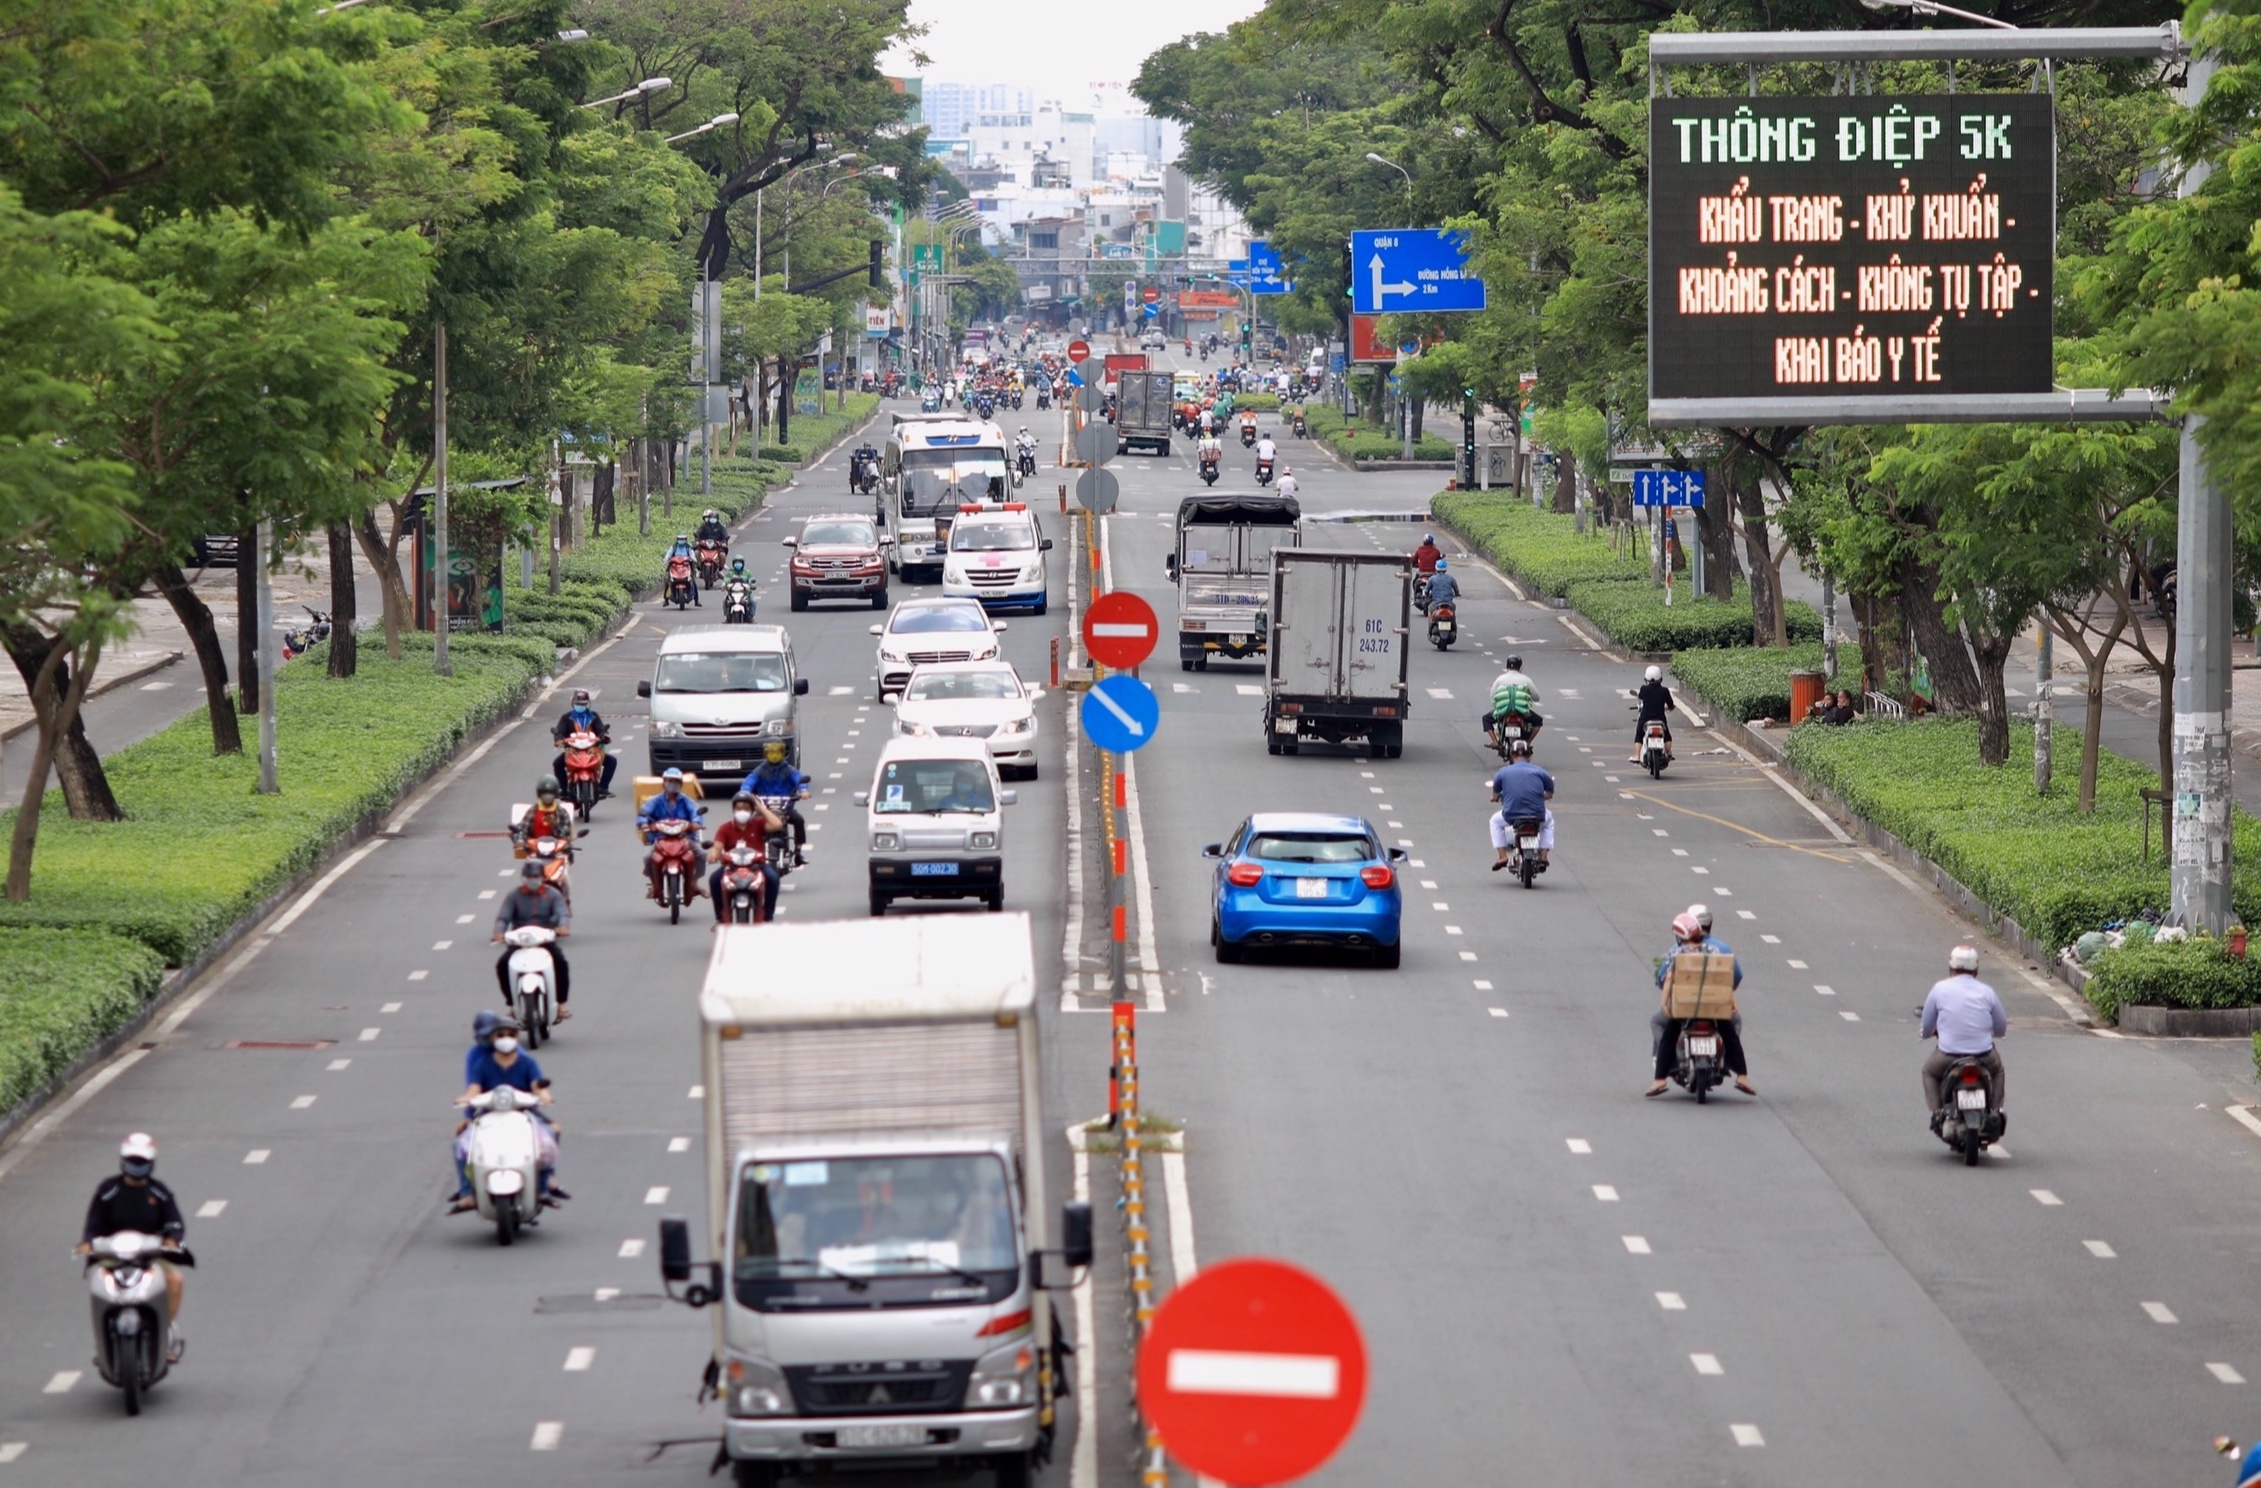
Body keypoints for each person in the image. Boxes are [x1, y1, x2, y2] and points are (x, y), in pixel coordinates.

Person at [79, 1133, 187, 1361]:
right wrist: (88, 1244)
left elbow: (175, 1224)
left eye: (141, 1162)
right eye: (132, 1161)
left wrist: (171, 1239)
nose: (136, 1167)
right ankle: (102, 1345)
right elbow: (93, 1225)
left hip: (151, 1254)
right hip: (112, 1254)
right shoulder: (108, 1191)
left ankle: (163, 1334)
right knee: (99, 1285)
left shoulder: (160, 1192)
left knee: (176, 1280)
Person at [450, 1011, 564, 1213]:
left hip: (524, 1111)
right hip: (488, 1113)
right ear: (492, 1038)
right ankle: (467, 1193)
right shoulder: (481, 1062)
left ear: (517, 1037)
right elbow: (473, 1089)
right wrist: (465, 1102)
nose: (505, 1039)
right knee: (461, 1145)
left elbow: (538, 1085)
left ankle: (544, 1184)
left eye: (510, 1034)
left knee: (550, 1134)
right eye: (500, 1035)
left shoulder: (527, 1061)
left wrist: (544, 1095)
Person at [1648, 910, 1754, 1095]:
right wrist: (1730, 1001)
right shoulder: (1713, 951)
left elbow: (1669, 977)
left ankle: (1659, 1080)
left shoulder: (1677, 953)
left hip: (1685, 1008)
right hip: (1712, 1007)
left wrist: (1665, 1004)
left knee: (1668, 1036)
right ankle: (1742, 1076)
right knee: (1730, 1035)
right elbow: (1724, 977)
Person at [1921, 944, 2007, 1126]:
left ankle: (1937, 1113)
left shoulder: (1939, 989)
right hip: (1984, 1055)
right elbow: (2000, 1028)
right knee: (1998, 1071)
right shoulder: (1987, 992)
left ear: (1951, 968)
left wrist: (1928, 1033)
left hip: (1947, 1055)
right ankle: (1993, 1111)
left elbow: (1927, 1025)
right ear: (1976, 970)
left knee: (1928, 1071)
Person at [493, 860, 572, 1018]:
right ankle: (512, 1004)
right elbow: (503, 917)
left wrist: (563, 927)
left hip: (544, 940)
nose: (532, 879)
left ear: (542, 876)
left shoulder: (553, 894)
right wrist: (499, 932)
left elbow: (562, 912)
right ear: (523, 877)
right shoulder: (514, 895)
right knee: (502, 965)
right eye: (529, 876)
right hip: (520, 942)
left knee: (560, 963)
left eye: (535, 876)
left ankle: (561, 1004)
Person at [708, 789, 789, 924]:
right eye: (739, 808)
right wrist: (713, 855)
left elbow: (777, 824)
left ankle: (768, 917)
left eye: (746, 808)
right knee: (714, 879)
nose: (742, 811)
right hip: (731, 867)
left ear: (752, 811)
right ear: (733, 810)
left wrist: (760, 807)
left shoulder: (758, 823)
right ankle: (720, 918)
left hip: (757, 866)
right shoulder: (725, 828)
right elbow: (717, 846)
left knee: (773, 879)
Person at [738, 740, 811, 867]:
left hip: (784, 808)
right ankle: (748, 852)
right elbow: (749, 782)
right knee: (749, 824)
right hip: (764, 809)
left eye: (777, 752)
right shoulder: (759, 770)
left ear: (783, 753)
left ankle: (798, 852)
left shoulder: (789, 770)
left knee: (799, 820)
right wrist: (745, 792)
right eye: (771, 752)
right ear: (766, 754)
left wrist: (803, 791)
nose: (774, 755)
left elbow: (799, 780)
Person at [637, 767, 704, 902]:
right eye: (670, 781)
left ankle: (694, 883)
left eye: (676, 781)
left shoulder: (685, 800)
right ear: (664, 783)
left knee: (701, 855)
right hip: (661, 838)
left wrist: (696, 823)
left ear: (681, 784)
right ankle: (655, 885)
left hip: (684, 837)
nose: (673, 784)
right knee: (648, 859)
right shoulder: (656, 800)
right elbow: (643, 812)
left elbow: (696, 812)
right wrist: (644, 823)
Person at [1487, 738, 1555, 870]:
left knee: (1494, 822)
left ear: (1512, 755)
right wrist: (1543, 796)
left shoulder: (1503, 772)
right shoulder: (1540, 771)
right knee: (1549, 822)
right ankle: (1544, 856)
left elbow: (1495, 795)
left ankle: (1502, 856)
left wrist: (1494, 798)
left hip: (1511, 815)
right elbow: (1550, 792)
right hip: (1537, 815)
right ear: (1529, 755)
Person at [550, 687, 616, 797]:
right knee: (557, 763)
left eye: (583, 704)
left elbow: (601, 729)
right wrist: (559, 740)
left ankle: (603, 788)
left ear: (587, 704)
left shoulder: (594, 716)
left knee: (612, 761)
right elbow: (559, 732)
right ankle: (564, 790)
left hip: (592, 750)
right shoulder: (565, 718)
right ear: (573, 703)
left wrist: (604, 736)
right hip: (572, 750)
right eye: (578, 704)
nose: (580, 706)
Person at [513, 776, 577, 869]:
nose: (547, 796)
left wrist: (554, 825)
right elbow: (523, 828)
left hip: (556, 853)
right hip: (536, 852)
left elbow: (564, 835)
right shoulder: (533, 811)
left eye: (550, 793)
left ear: (555, 794)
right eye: (545, 793)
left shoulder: (562, 813)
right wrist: (519, 839)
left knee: (562, 876)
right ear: (539, 794)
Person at [1485, 653, 1543, 746]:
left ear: (1507, 666)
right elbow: (1536, 697)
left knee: (1486, 719)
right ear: (1520, 666)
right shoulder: (1526, 679)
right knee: (1538, 721)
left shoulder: (1500, 679)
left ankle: (1495, 741)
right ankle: (1528, 743)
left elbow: (1492, 695)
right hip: (1521, 712)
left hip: (1503, 711)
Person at [1630, 664, 1674, 763]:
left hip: (1645, 719)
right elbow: (1670, 704)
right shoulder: (1665, 691)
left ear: (1646, 677)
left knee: (1639, 735)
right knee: (1666, 735)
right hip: (1660, 719)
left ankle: (1637, 755)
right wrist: (1671, 708)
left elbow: (1640, 697)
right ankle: (1669, 752)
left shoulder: (1644, 689)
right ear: (1660, 677)